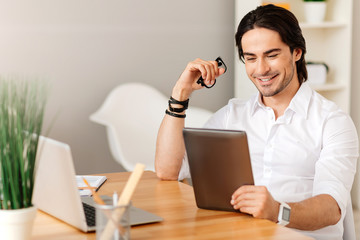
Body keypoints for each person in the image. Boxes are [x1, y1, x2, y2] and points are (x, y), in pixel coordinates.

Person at [155, 4, 358, 240]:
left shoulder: (333, 122)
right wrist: (180, 94)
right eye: (251, 58)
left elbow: (332, 208)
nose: (261, 69)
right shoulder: (232, 115)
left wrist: (277, 210)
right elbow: (169, 171)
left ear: (297, 52)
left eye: (271, 55)